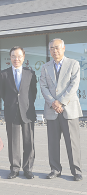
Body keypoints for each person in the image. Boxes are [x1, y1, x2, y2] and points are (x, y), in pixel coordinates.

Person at [40, 38, 83, 181]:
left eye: (57, 47)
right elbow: (43, 86)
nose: (54, 50)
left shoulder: (73, 64)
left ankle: (76, 171)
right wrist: (53, 103)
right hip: (52, 110)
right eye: (51, 48)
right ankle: (55, 169)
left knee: (73, 142)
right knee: (53, 142)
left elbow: (74, 85)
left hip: (69, 109)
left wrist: (61, 102)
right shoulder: (45, 67)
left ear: (63, 48)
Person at [0, 46, 37, 179]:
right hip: (11, 111)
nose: (16, 59)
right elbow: (2, 93)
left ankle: (28, 169)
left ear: (24, 57)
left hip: (27, 112)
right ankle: (14, 168)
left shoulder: (30, 73)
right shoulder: (3, 74)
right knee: (13, 142)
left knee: (29, 142)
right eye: (13, 56)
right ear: (10, 58)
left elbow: (33, 93)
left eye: (19, 56)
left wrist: (25, 103)